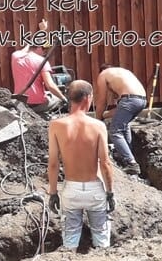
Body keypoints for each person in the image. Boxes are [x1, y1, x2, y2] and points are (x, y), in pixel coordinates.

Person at [47, 80, 115, 251]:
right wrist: (110, 192)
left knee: (70, 239)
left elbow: (53, 164)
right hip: (95, 191)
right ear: (87, 98)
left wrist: (53, 193)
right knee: (101, 238)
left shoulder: (56, 125)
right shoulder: (98, 126)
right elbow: (105, 162)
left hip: (71, 191)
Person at [94, 64, 147, 175]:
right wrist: (104, 115)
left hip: (130, 100)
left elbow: (101, 101)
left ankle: (131, 163)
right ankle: (126, 155)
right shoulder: (123, 72)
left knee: (115, 131)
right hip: (142, 100)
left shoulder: (103, 75)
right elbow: (120, 110)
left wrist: (98, 120)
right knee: (125, 125)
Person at [11, 19, 66, 118]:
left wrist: (42, 31)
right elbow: (50, 85)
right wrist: (64, 98)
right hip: (37, 103)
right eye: (44, 49)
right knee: (56, 98)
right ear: (39, 48)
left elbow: (28, 46)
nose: (45, 52)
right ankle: (41, 116)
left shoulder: (15, 56)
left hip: (20, 101)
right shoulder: (42, 62)